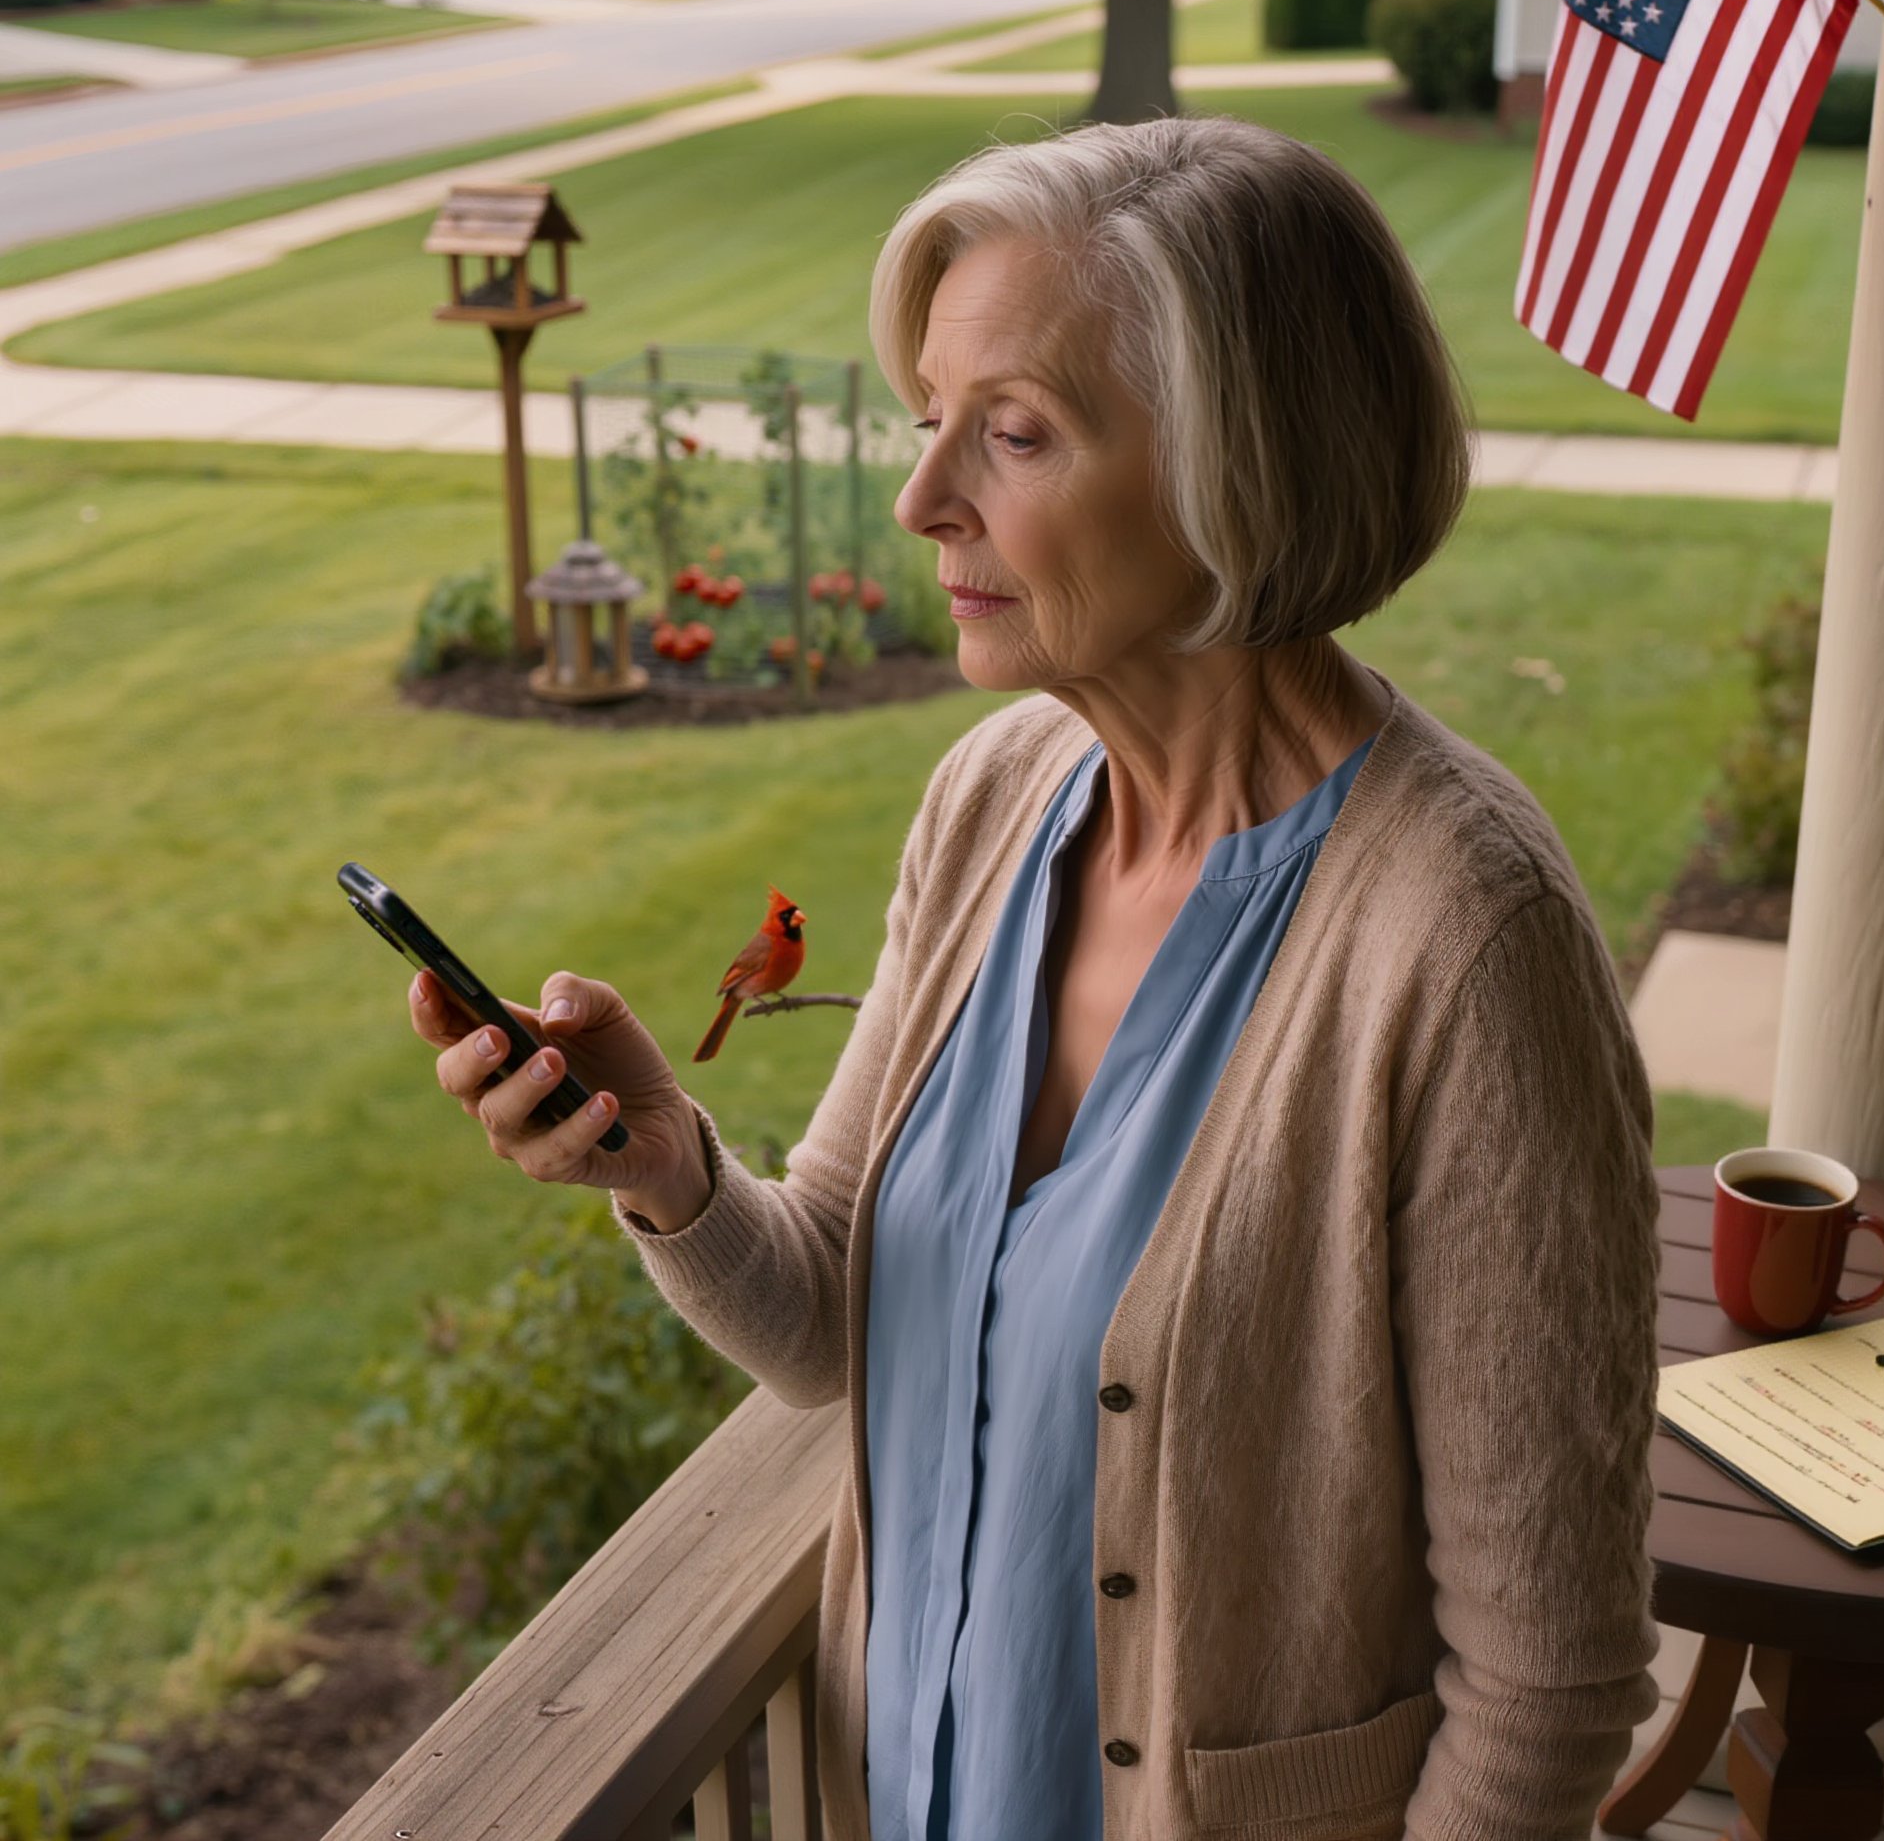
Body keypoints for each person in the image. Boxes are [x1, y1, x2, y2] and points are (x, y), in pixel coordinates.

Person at [412, 117, 1663, 1841]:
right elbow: (834, 1308)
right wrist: (665, 1159)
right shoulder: (997, 799)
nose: (923, 498)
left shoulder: (1465, 945)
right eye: (930, 421)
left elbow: (1551, 1682)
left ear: (1246, 471)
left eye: (1015, 434)